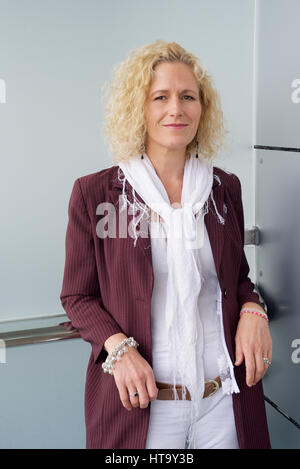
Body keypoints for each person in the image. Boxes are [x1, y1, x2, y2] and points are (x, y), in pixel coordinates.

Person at [60, 40, 272, 449]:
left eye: (187, 96)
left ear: (202, 109)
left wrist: (253, 309)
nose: (176, 109)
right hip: (145, 409)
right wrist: (118, 349)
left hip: (223, 403)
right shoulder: (97, 194)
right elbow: (77, 295)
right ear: (139, 108)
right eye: (160, 97)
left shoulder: (224, 188)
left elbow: (238, 278)